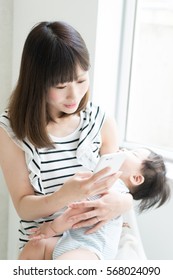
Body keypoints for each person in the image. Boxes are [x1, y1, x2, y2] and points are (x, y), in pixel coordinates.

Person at [0, 21, 133, 260]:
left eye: (81, 81)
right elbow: (23, 206)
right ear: (37, 82)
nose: (74, 95)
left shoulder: (101, 122)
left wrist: (123, 203)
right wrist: (65, 195)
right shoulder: (10, 130)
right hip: (40, 244)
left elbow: (117, 186)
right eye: (61, 86)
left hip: (89, 240)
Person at [29, 147, 170, 260]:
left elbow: (80, 212)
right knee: (35, 246)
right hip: (72, 241)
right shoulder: (111, 184)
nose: (123, 150)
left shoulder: (114, 187)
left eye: (133, 154)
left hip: (91, 251)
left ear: (136, 178)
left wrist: (52, 228)